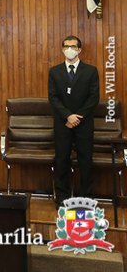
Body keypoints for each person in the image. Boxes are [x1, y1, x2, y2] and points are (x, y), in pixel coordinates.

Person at [49, 35, 99, 202]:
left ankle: (86, 198)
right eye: (66, 46)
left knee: (86, 161)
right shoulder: (54, 71)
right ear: (62, 49)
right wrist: (68, 116)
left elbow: (93, 98)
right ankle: (62, 199)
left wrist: (77, 118)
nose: (69, 50)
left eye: (73, 46)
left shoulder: (91, 71)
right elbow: (53, 97)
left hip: (84, 123)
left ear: (79, 49)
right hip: (63, 123)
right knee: (62, 160)